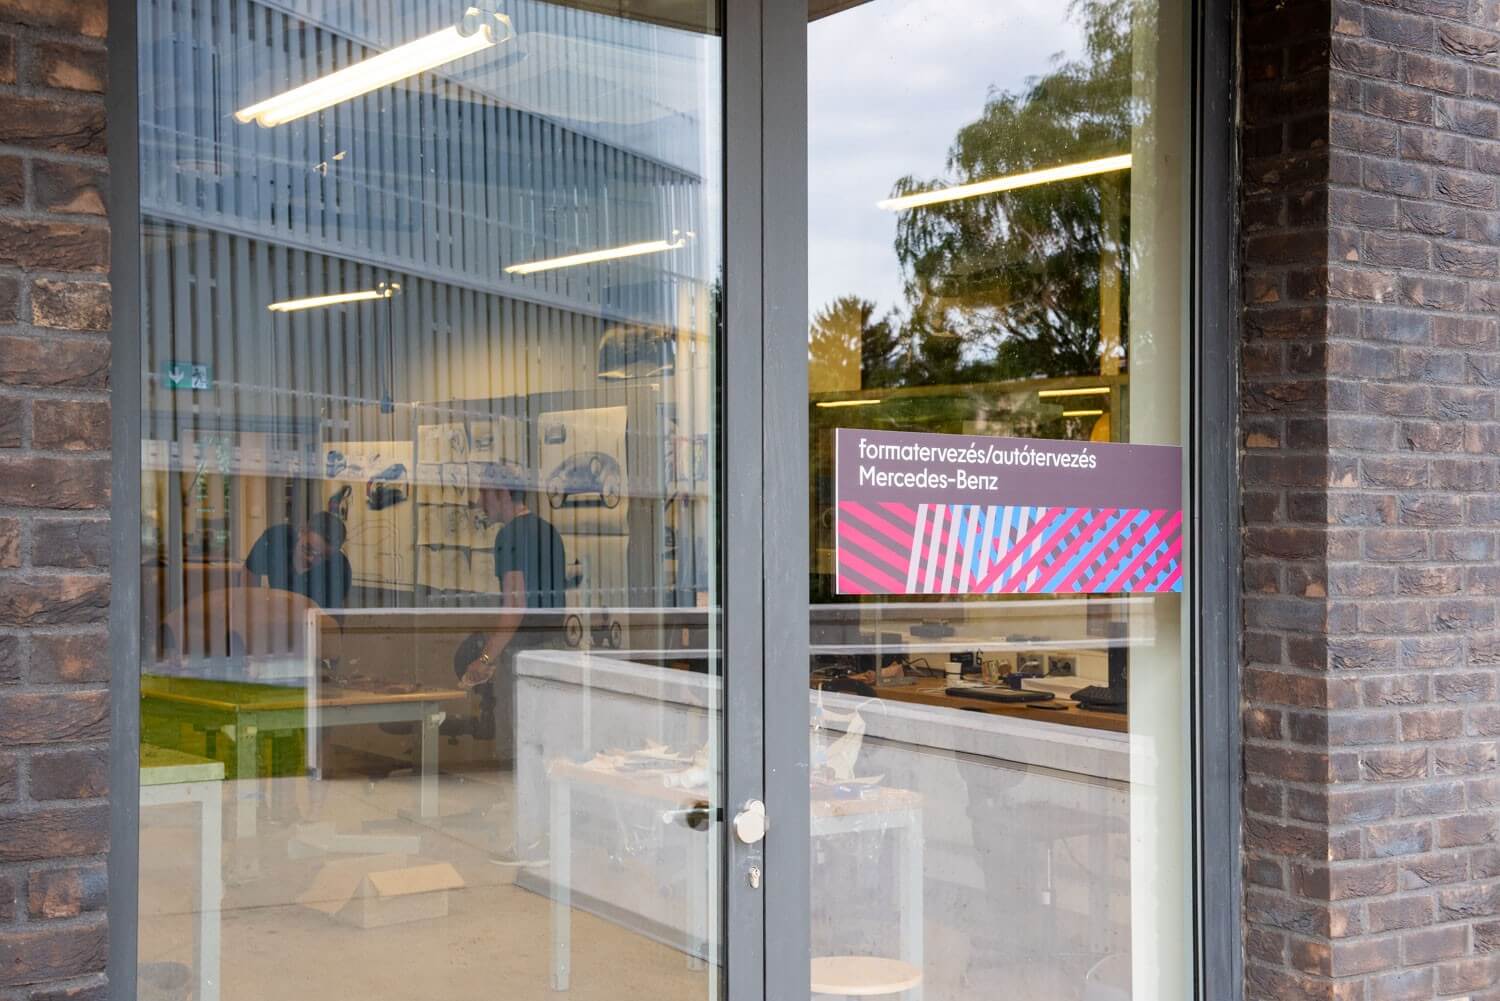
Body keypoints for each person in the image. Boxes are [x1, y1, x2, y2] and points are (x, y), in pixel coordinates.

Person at [455, 461, 567, 740]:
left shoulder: (509, 536)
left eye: (484, 493)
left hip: (523, 657)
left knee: (516, 745)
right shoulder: (550, 532)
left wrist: (483, 659)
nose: (479, 502)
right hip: (556, 651)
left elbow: (515, 607)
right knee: (549, 742)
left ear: (502, 493)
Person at [241, 511, 352, 610]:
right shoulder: (276, 539)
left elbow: (328, 617)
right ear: (302, 532)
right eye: (308, 549)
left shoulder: (339, 570)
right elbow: (249, 576)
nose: (312, 559)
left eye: (323, 556)